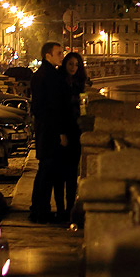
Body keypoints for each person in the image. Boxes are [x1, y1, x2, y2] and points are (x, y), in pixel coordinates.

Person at [28, 42, 66, 223]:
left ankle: (39, 208)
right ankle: (39, 211)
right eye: (59, 53)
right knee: (46, 172)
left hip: (45, 130)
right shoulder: (49, 76)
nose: (62, 56)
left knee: (45, 171)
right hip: (50, 132)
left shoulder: (42, 74)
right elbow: (52, 108)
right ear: (48, 55)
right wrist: (60, 132)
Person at [55, 51, 89, 224]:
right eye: (70, 64)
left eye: (76, 65)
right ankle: (61, 210)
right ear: (65, 65)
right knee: (61, 173)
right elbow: (59, 109)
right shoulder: (60, 83)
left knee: (72, 173)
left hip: (76, 131)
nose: (74, 68)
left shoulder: (79, 84)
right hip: (64, 131)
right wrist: (61, 133)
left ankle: (70, 209)